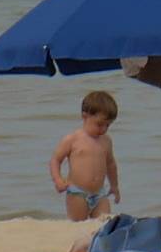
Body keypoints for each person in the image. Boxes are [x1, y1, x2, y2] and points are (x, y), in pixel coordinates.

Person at [48, 91, 122, 220]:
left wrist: (114, 186)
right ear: (85, 116)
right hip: (78, 193)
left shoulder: (106, 141)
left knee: (104, 224)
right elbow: (55, 160)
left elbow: (111, 164)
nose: (103, 129)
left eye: (107, 125)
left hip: (100, 194)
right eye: (99, 124)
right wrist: (58, 180)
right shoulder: (73, 139)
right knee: (78, 226)